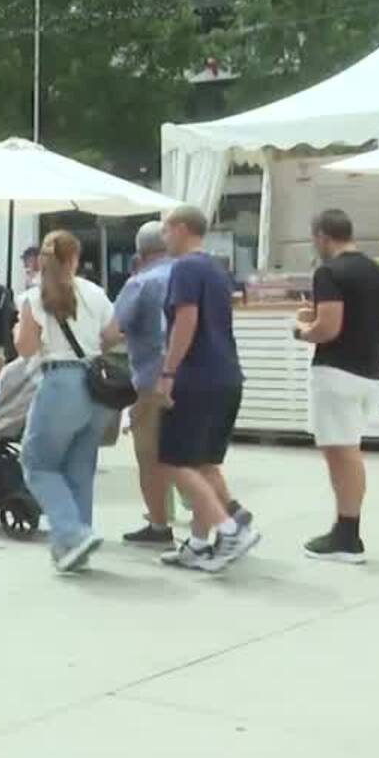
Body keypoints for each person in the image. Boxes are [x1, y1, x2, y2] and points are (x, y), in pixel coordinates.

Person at [156, 205, 260, 573]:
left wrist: (168, 371)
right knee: (205, 464)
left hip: (195, 377)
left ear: (182, 228)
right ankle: (199, 544)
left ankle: (230, 530)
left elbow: (186, 320)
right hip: (226, 375)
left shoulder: (185, 268)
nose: (163, 237)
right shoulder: (217, 269)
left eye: (166, 229)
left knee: (174, 461)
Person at [293, 208, 379, 564]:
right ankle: (346, 528)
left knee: (342, 452)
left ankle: (347, 535)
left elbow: (328, 328)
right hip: (371, 370)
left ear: (322, 236)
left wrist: (302, 329)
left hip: (337, 372)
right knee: (348, 449)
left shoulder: (329, 272)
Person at [14, 231, 117, 573]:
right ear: (75, 258)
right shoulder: (95, 292)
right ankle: (73, 548)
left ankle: (72, 532)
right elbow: (113, 334)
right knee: (80, 468)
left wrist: (18, 329)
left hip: (60, 382)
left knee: (37, 464)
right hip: (96, 385)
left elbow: (26, 348)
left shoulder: (34, 297)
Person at [103, 221, 178, 548]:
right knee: (191, 453)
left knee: (150, 456)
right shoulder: (191, 274)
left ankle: (159, 525)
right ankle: (216, 519)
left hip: (152, 379)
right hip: (195, 376)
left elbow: (111, 332)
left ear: (139, 254)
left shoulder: (141, 283)